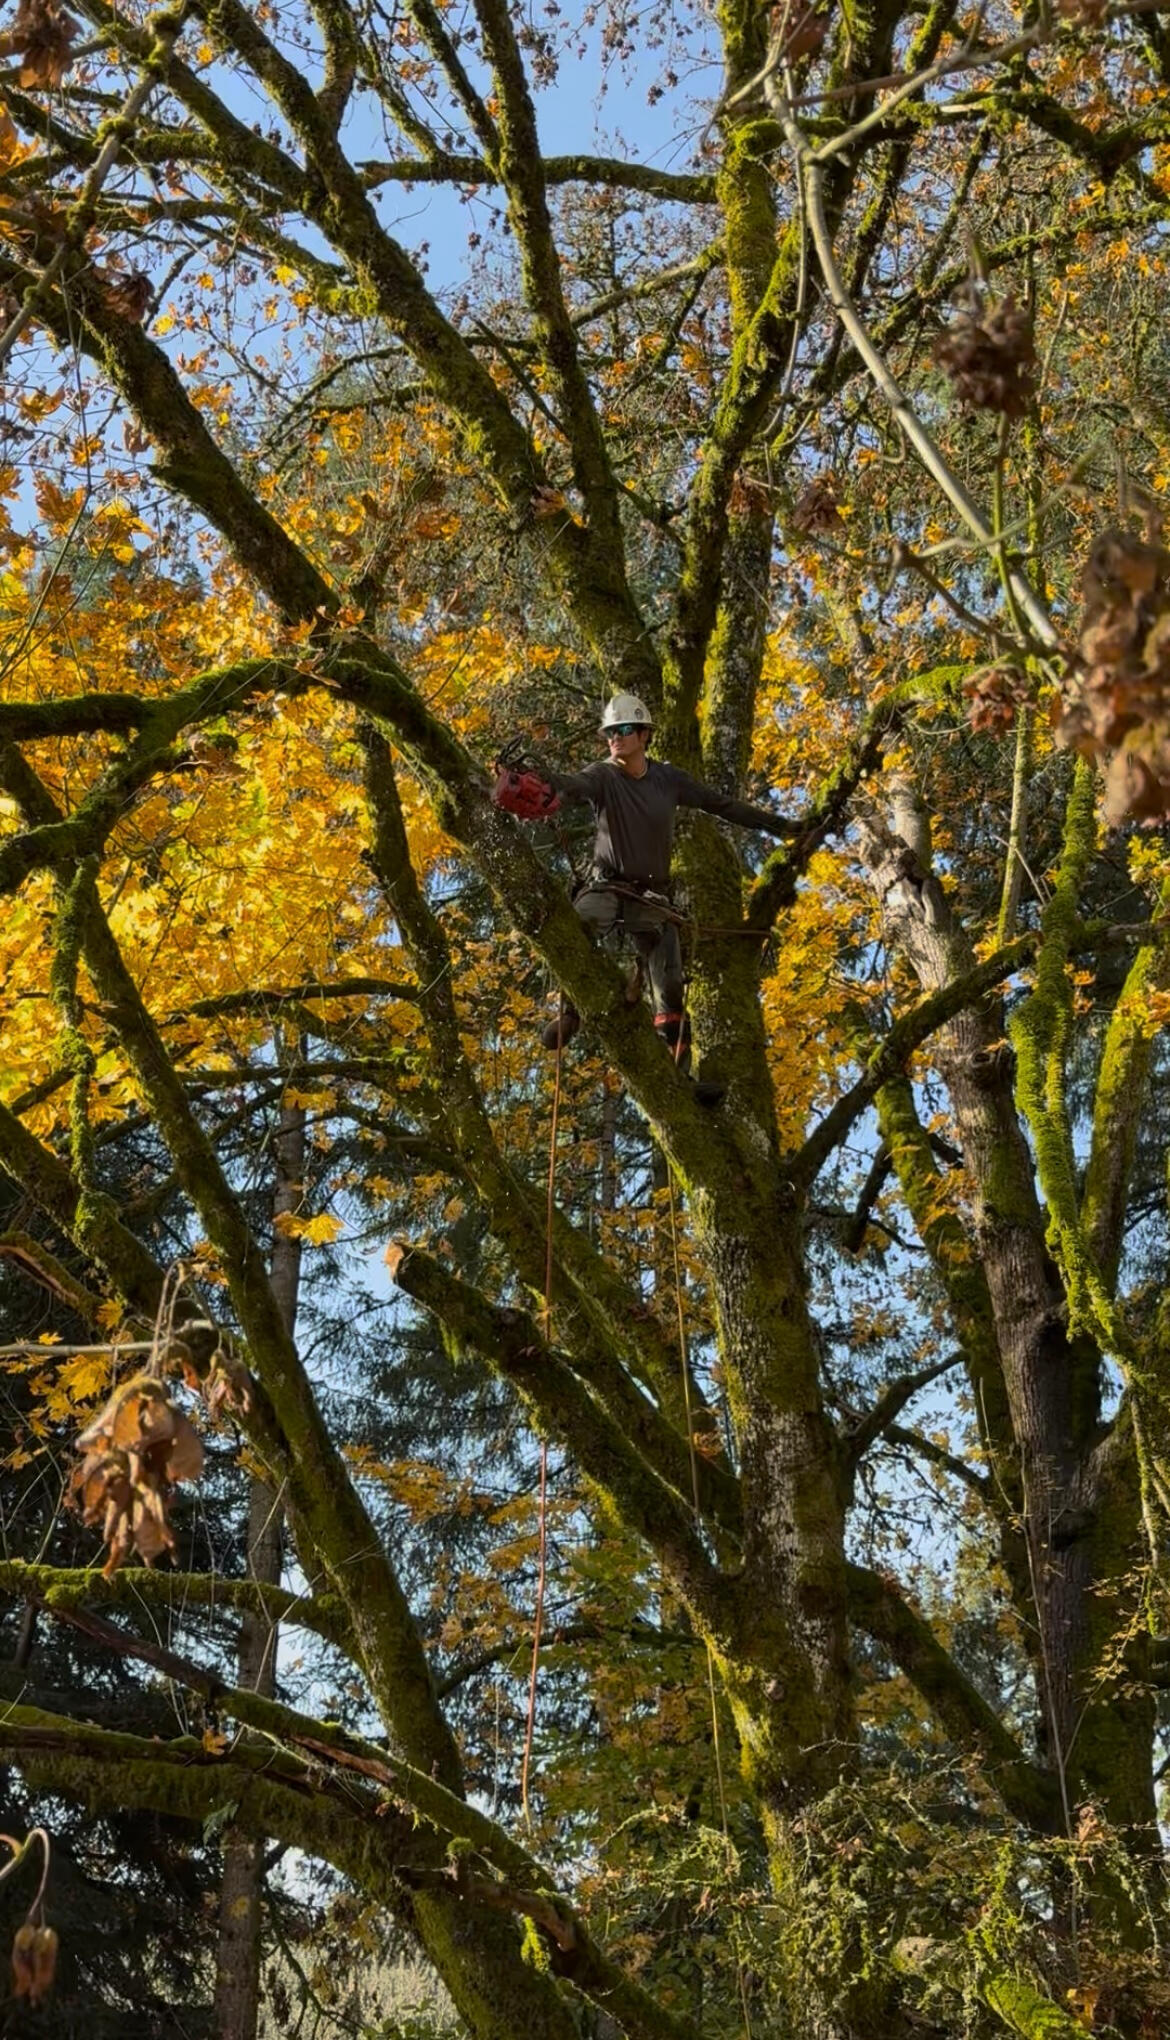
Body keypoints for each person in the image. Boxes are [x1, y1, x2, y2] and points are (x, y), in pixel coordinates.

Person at [518, 692, 795, 1061]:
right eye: (610, 732)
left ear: (645, 734)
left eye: (625, 729)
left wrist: (784, 827)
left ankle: (675, 1060)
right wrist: (540, 783)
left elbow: (721, 805)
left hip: (651, 896)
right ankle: (570, 1014)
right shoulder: (603, 775)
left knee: (670, 979)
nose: (615, 737)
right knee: (578, 925)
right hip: (607, 885)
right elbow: (571, 785)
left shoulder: (668, 779)